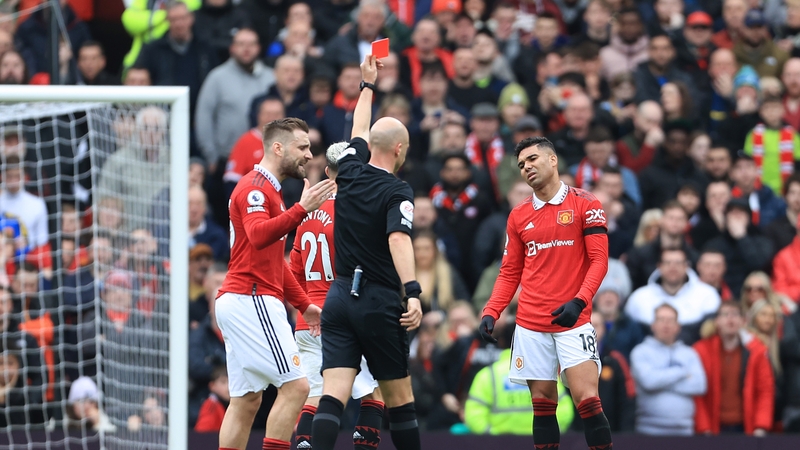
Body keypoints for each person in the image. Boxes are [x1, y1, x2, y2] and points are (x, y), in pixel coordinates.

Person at [311, 55, 423, 450]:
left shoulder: (351, 169)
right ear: (399, 149)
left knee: (332, 395)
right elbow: (398, 239)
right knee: (400, 401)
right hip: (377, 298)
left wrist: (367, 85)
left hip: (339, 297)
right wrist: (412, 290)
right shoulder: (398, 191)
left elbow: (359, 125)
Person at [479, 135, 612, 450]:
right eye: (521, 164)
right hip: (530, 323)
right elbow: (510, 271)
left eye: (533, 159)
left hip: (573, 321)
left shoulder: (586, 203)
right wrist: (491, 311)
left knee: (587, 400)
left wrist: (579, 301)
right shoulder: (518, 215)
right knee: (542, 403)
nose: (527, 167)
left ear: (553, 160)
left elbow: (599, 261)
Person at [214, 116, 333, 450]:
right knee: (297, 387)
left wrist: (305, 305)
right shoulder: (255, 187)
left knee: (247, 400)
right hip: (251, 300)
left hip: (239, 299)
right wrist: (301, 210)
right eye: (303, 146)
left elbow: (274, 263)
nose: (309, 155)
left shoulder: (269, 190)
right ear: (277, 148)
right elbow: (257, 235)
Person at [289, 142, 384, 450]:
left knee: (317, 394)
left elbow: (294, 271)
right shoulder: (356, 213)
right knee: (374, 393)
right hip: (347, 315)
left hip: (308, 319)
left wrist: (305, 307)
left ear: (329, 172)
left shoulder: (305, 214)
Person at [693, 302, 775, 436]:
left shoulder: (757, 351)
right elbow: (697, 394)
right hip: (713, 428)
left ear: (744, 321)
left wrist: (761, 426)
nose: (730, 319)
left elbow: (765, 391)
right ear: (717, 321)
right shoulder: (701, 351)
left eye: (735, 314)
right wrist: (704, 428)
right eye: (725, 314)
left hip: (745, 428)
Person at [629, 304, 707, 435]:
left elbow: (700, 385)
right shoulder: (640, 352)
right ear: (652, 325)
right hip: (647, 431)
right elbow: (649, 381)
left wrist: (660, 380)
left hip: (685, 432)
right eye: (661, 319)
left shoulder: (689, 353)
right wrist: (681, 372)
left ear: (678, 327)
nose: (666, 324)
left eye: (670, 320)